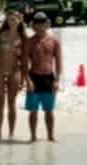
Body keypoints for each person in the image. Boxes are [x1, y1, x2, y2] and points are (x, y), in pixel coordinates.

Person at [24, 11, 62, 142]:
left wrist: (57, 80)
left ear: (47, 24)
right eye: (37, 23)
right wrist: (27, 80)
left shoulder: (54, 42)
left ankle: (50, 136)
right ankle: (33, 136)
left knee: (49, 110)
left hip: (48, 78)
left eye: (42, 23)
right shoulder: (29, 42)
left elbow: (59, 62)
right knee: (33, 111)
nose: (40, 26)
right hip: (34, 77)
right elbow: (24, 63)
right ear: (33, 25)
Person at [0, 11, 27, 141]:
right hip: (0, 71)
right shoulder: (1, 34)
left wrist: (24, 78)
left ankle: (11, 133)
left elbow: (25, 59)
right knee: (0, 103)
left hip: (15, 71)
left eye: (14, 19)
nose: (12, 22)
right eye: (9, 20)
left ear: (19, 21)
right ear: (6, 21)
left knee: (12, 103)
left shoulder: (23, 37)